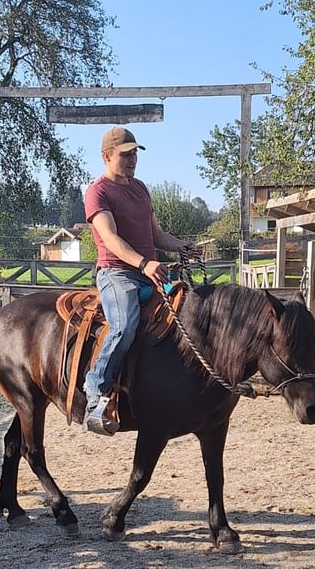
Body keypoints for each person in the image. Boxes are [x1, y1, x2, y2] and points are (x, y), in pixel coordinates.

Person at [82, 126, 194, 435]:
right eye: (125, 155)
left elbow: (156, 236)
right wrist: (144, 263)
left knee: (191, 309)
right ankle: (95, 391)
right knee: (125, 325)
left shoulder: (141, 188)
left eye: (134, 155)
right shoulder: (98, 192)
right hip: (117, 273)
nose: (132, 160)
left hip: (149, 270)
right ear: (107, 156)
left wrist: (182, 246)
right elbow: (111, 239)